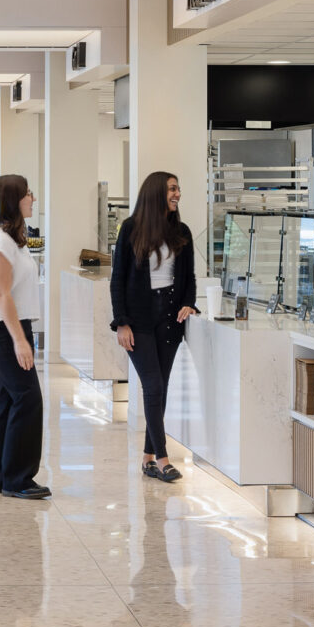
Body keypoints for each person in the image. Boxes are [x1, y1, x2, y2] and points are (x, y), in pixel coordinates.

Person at [110, 171, 198, 484]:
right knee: (153, 385)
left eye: (178, 188)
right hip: (139, 318)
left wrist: (190, 302)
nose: (178, 194)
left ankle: (147, 457)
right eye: (172, 189)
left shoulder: (181, 230)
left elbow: (189, 277)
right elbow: (117, 277)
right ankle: (162, 458)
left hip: (170, 319)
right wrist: (121, 321)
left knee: (161, 386)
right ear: (156, 193)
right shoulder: (131, 228)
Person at [0, 174, 49, 500]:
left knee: (10, 398)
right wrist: (20, 341)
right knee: (28, 398)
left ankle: (0, 476)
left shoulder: (7, 237)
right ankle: (18, 479)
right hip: (2, 329)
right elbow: (2, 295)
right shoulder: (0, 241)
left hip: (10, 327)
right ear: (13, 200)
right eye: (27, 194)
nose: (33, 198)